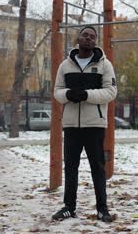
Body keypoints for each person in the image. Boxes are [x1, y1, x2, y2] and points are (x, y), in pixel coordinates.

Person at [52, 26, 117, 222]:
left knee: (97, 167)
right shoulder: (65, 65)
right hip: (71, 124)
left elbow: (111, 92)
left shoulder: (105, 65)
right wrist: (68, 95)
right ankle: (68, 207)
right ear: (78, 39)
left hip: (95, 125)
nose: (88, 38)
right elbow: (57, 91)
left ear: (95, 41)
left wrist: (87, 95)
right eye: (85, 35)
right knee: (70, 167)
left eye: (92, 36)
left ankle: (102, 208)